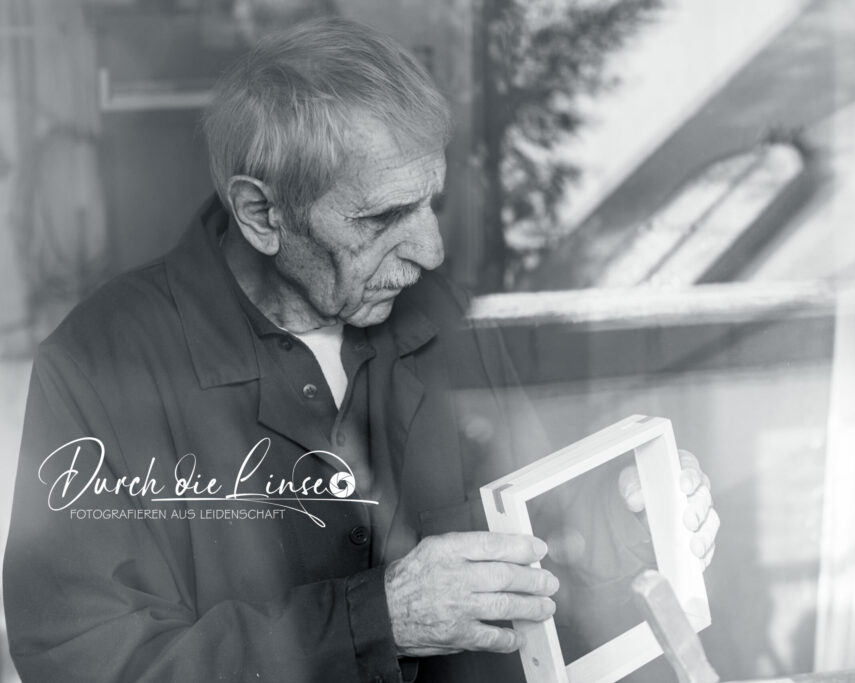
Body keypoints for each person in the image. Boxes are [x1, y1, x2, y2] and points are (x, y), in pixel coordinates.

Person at [3, 18, 719, 683]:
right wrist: (376, 619)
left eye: (430, 201)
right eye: (383, 218)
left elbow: (542, 556)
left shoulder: (439, 317)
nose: (430, 250)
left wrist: (622, 541)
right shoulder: (102, 366)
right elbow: (87, 662)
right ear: (261, 213)